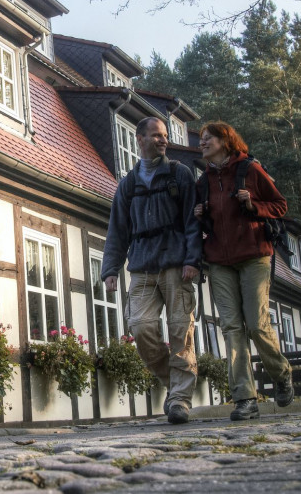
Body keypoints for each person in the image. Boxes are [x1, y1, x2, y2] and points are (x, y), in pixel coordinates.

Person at [102, 117, 202, 424]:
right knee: (141, 326)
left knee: (179, 330)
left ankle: (180, 401)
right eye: (157, 136)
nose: (163, 141)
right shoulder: (128, 184)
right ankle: (176, 386)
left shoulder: (179, 174)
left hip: (175, 264)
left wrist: (192, 260)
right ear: (140, 139)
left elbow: (192, 222)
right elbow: (117, 230)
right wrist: (110, 269)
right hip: (142, 266)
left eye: (165, 136)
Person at [194, 121, 294, 421]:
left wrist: (254, 206)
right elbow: (206, 222)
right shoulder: (203, 182)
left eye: (207, 138)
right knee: (231, 329)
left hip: (253, 256)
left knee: (256, 325)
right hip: (219, 262)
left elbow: (280, 205)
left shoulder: (249, 170)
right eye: (200, 139)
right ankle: (245, 398)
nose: (202, 143)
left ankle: (282, 373)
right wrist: (199, 214)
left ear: (225, 140)